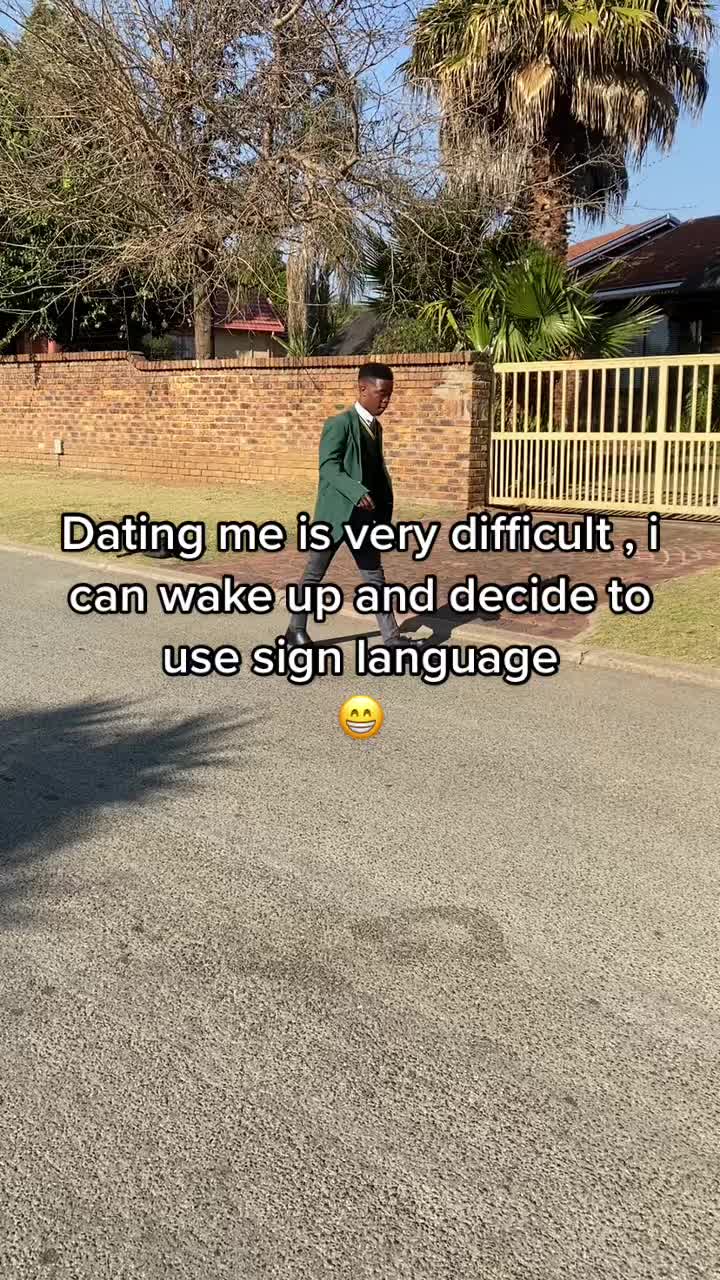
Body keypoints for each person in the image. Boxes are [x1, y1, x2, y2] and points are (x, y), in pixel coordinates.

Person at [285, 362, 422, 648]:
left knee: (375, 576)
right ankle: (295, 630)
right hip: (335, 516)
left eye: (390, 395)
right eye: (381, 394)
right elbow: (329, 467)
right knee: (314, 574)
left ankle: (392, 638)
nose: (386, 401)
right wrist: (355, 491)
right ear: (363, 389)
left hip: (365, 519)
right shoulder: (340, 424)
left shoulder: (376, 427)